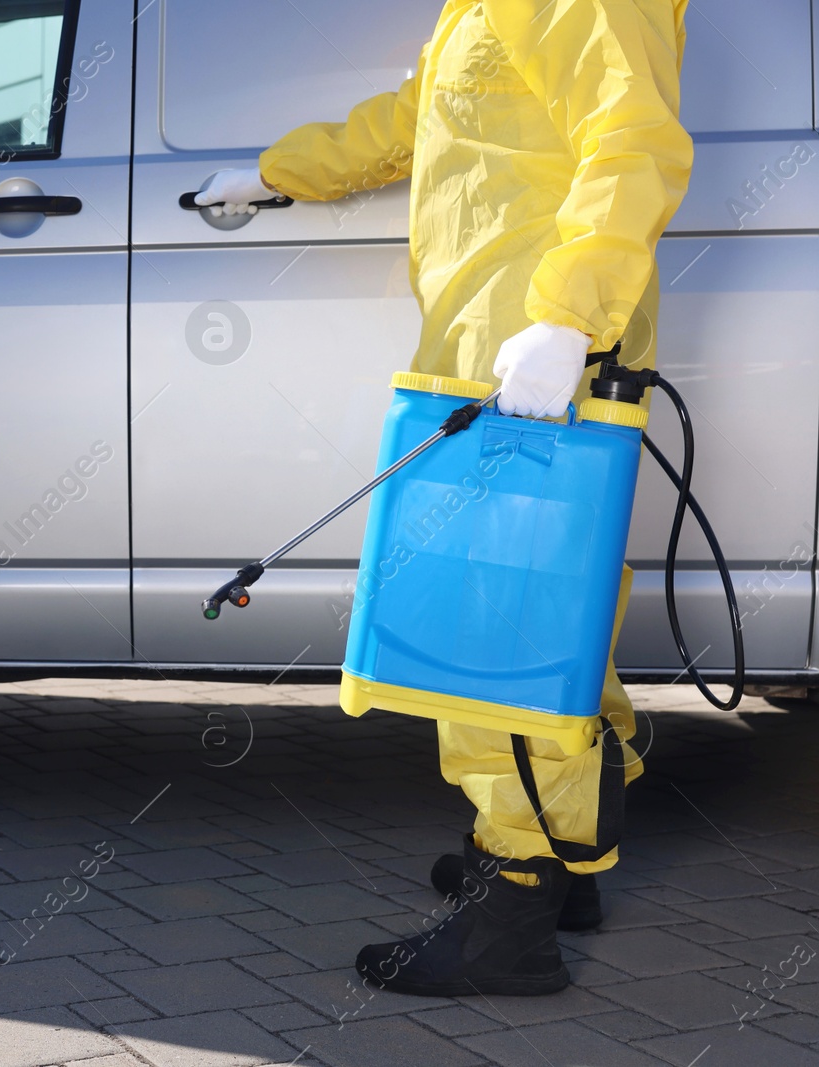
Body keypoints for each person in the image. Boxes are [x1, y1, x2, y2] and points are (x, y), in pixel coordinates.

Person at [197, 0, 692, 996]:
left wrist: (563, 315)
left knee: (489, 629)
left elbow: (633, 138)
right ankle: (566, 867)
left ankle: (510, 908)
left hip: (532, 363)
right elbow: (408, 119)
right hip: (489, 357)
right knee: (548, 615)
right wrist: (274, 174)